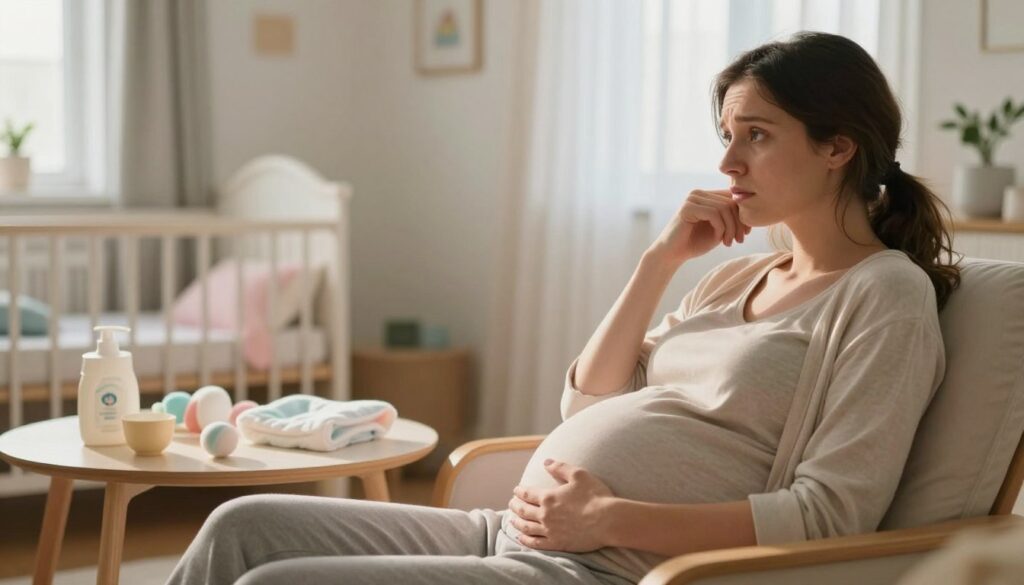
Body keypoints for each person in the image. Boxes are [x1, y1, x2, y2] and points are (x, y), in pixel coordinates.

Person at [166, 31, 960, 585]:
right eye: (726, 134)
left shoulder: (885, 295)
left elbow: (830, 513)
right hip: (508, 532)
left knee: (276, 581)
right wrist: (657, 263)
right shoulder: (734, 279)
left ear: (836, 146)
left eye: (756, 135)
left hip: (602, 567)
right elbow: (587, 402)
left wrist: (610, 518)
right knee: (243, 524)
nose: (727, 161)